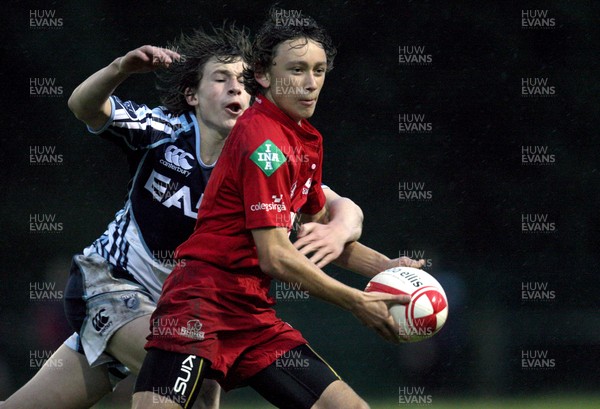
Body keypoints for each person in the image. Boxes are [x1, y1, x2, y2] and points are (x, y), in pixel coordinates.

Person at [1, 24, 405, 409]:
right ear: (192, 95)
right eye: (221, 78)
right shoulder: (163, 131)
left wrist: (382, 262)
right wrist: (120, 68)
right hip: (112, 284)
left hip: (181, 306)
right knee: (201, 376)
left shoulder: (266, 155)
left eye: (244, 81)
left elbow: (332, 213)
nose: (235, 87)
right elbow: (82, 105)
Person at [132, 10, 417, 409]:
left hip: (252, 315)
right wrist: (355, 300)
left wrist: (386, 268)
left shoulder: (305, 139)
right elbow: (276, 257)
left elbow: (314, 233)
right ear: (263, 74)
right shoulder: (263, 141)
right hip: (198, 307)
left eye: (319, 70)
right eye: (297, 69)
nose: (311, 83)